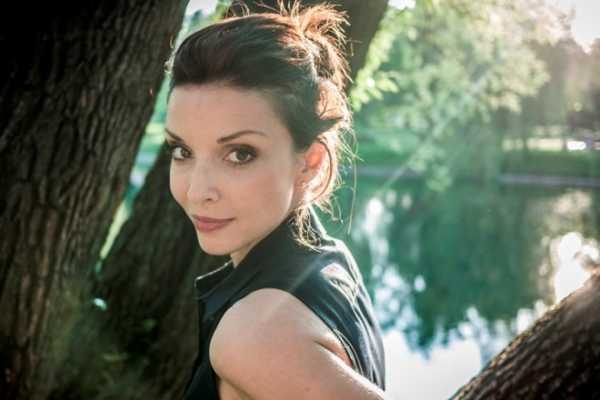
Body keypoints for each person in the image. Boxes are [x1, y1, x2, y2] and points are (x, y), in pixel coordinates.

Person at [164, 2, 386, 399]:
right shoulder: (331, 261)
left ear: (309, 163)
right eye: (182, 151)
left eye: (240, 154)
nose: (198, 191)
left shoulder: (255, 334)